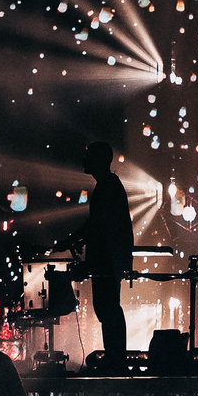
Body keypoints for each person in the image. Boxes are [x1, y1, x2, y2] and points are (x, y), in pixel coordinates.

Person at [74, 140, 133, 372]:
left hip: (106, 260)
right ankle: (115, 358)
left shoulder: (106, 187)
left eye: (88, 156)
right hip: (110, 259)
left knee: (107, 308)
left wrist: (72, 239)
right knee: (109, 308)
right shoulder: (110, 185)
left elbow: (97, 225)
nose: (84, 160)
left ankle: (115, 360)